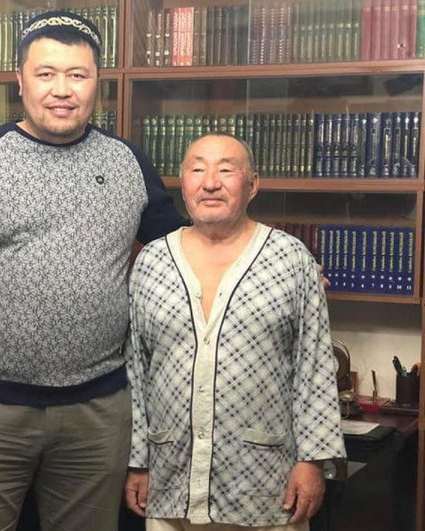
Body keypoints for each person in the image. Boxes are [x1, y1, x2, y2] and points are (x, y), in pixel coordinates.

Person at [0, 10, 185, 531]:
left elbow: (184, 251)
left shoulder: (127, 163)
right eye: (46, 73)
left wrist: (272, 265)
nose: (62, 90)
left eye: (77, 74)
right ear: (21, 80)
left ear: (97, 81)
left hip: (97, 412)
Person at [124, 133, 346, 531]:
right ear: (183, 182)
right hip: (170, 480)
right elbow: (135, 370)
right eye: (197, 170)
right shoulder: (153, 260)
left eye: (226, 170)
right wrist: (137, 461)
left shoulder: (290, 258)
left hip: (266, 483)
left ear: (253, 184)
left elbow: (314, 367)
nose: (210, 182)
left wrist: (312, 462)